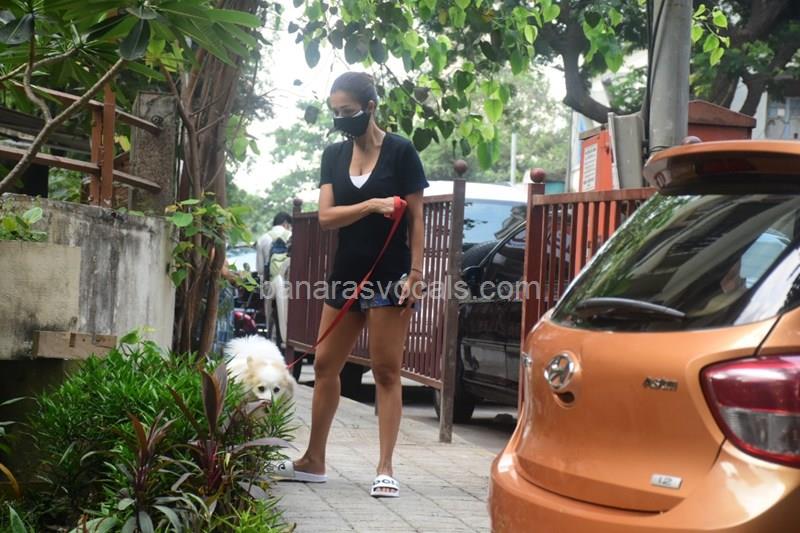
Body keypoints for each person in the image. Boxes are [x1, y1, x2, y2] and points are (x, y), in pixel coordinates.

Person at [274, 72, 428, 498]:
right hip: (345, 274)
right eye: (336, 112)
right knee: (325, 365)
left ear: (370, 107)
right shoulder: (334, 155)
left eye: (348, 111)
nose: (341, 119)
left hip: (390, 276)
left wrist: (415, 274)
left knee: (386, 371)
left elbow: (416, 218)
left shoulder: (401, 151)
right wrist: (371, 205)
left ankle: (385, 467)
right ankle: (313, 460)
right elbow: (326, 217)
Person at [256, 212, 293, 341]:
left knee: (270, 316)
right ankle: (286, 339)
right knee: (287, 316)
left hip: (270, 285)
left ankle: (272, 340)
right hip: (289, 286)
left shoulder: (262, 239)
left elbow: (260, 270)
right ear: (286, 224)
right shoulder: (292, 235)